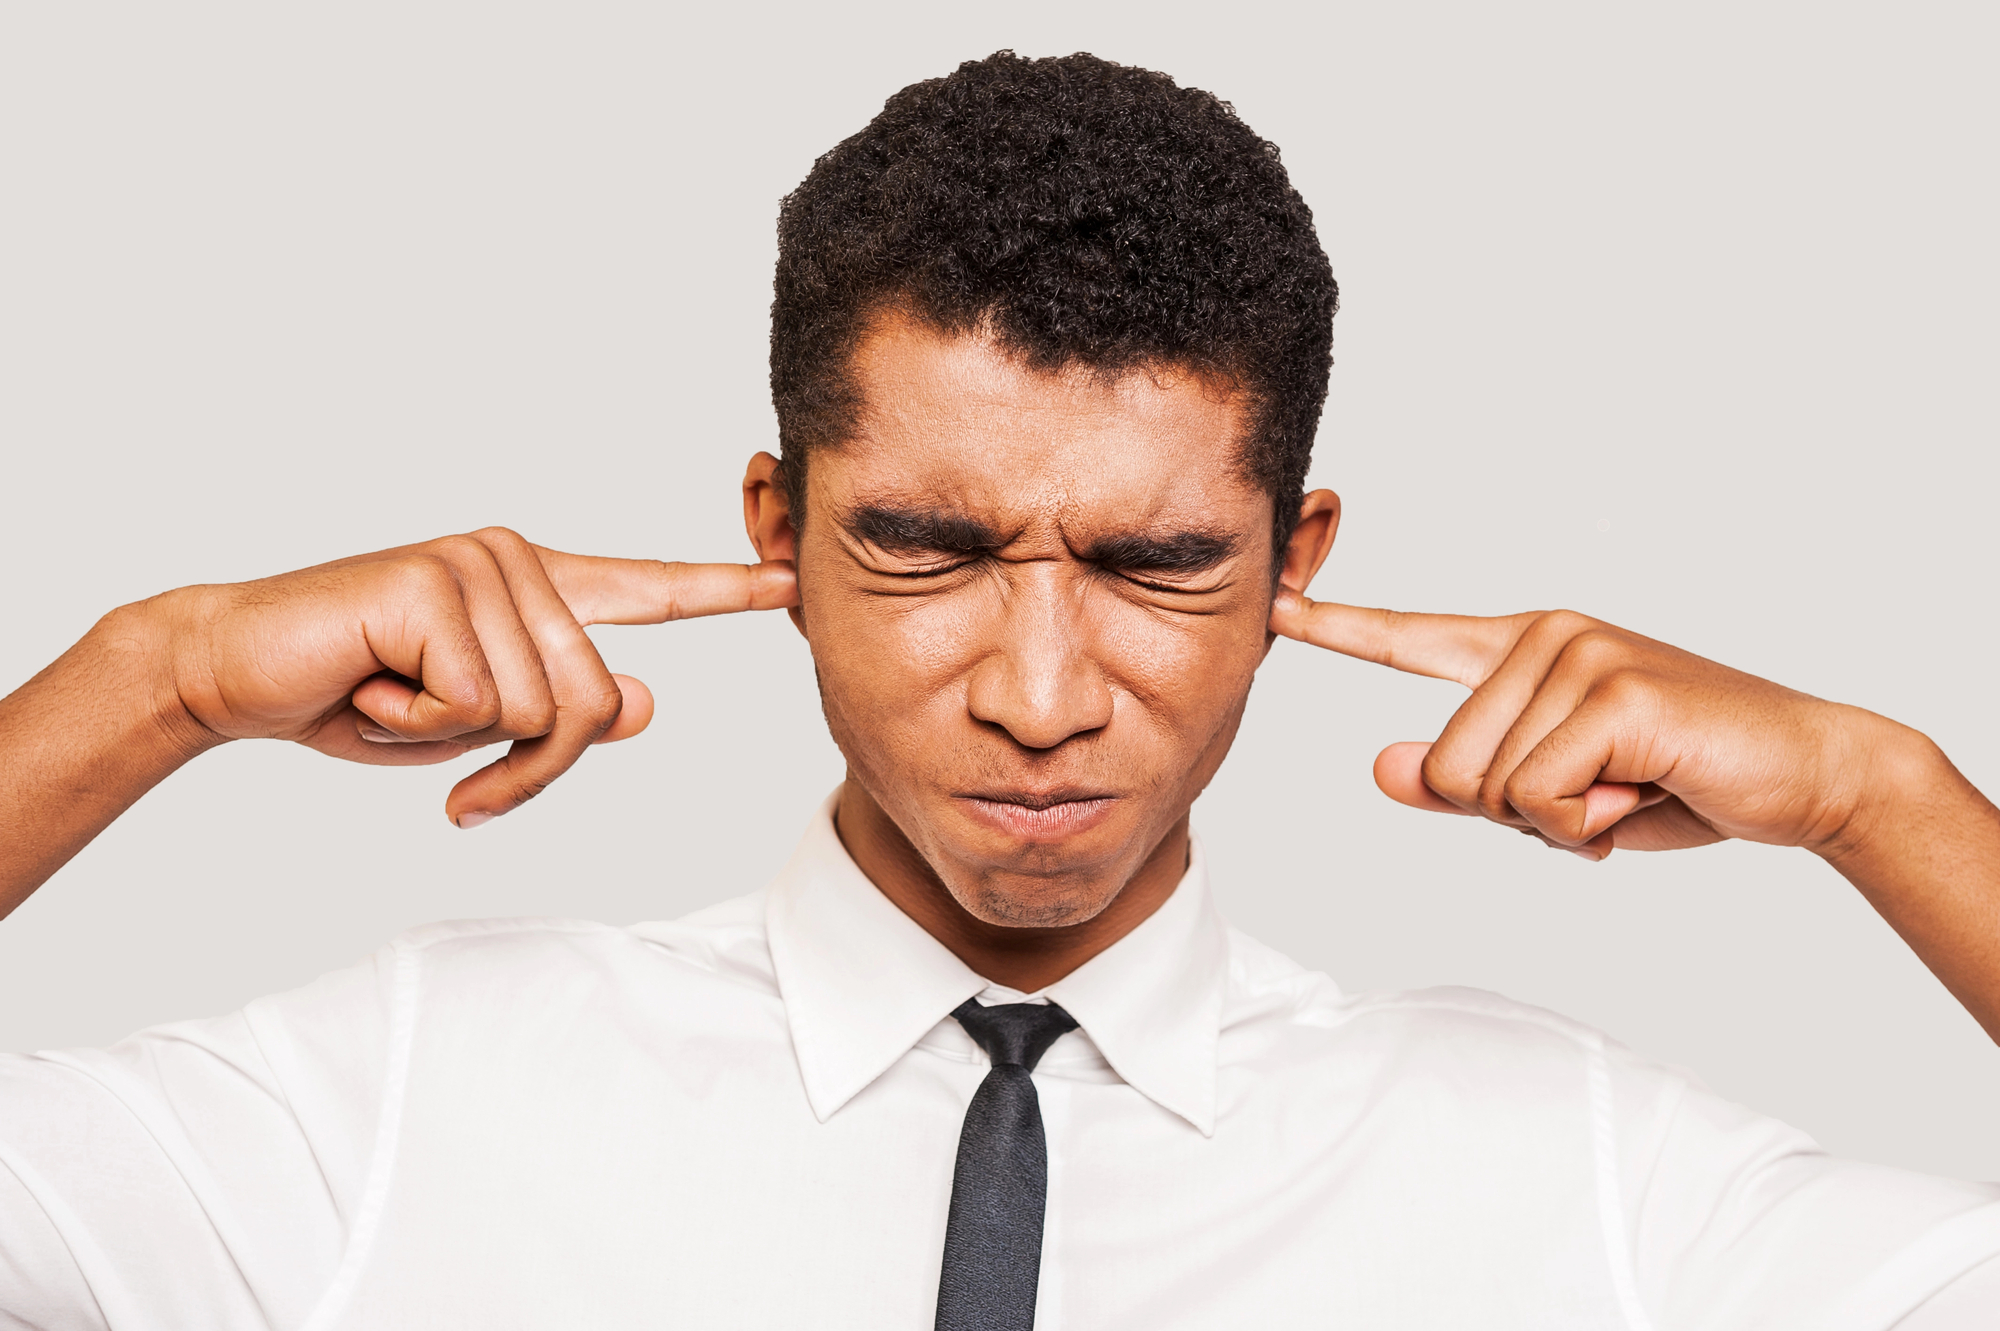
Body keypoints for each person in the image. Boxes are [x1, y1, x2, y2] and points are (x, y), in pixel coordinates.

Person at [2, 49, 1997, 1330]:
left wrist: (1880, 799)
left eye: (1153, 565)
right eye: (926, 550)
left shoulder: (1588, 1181)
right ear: (777, 529)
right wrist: (149, 680)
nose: (1039, 693)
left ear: (1292, 566)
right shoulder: (390, 1102)